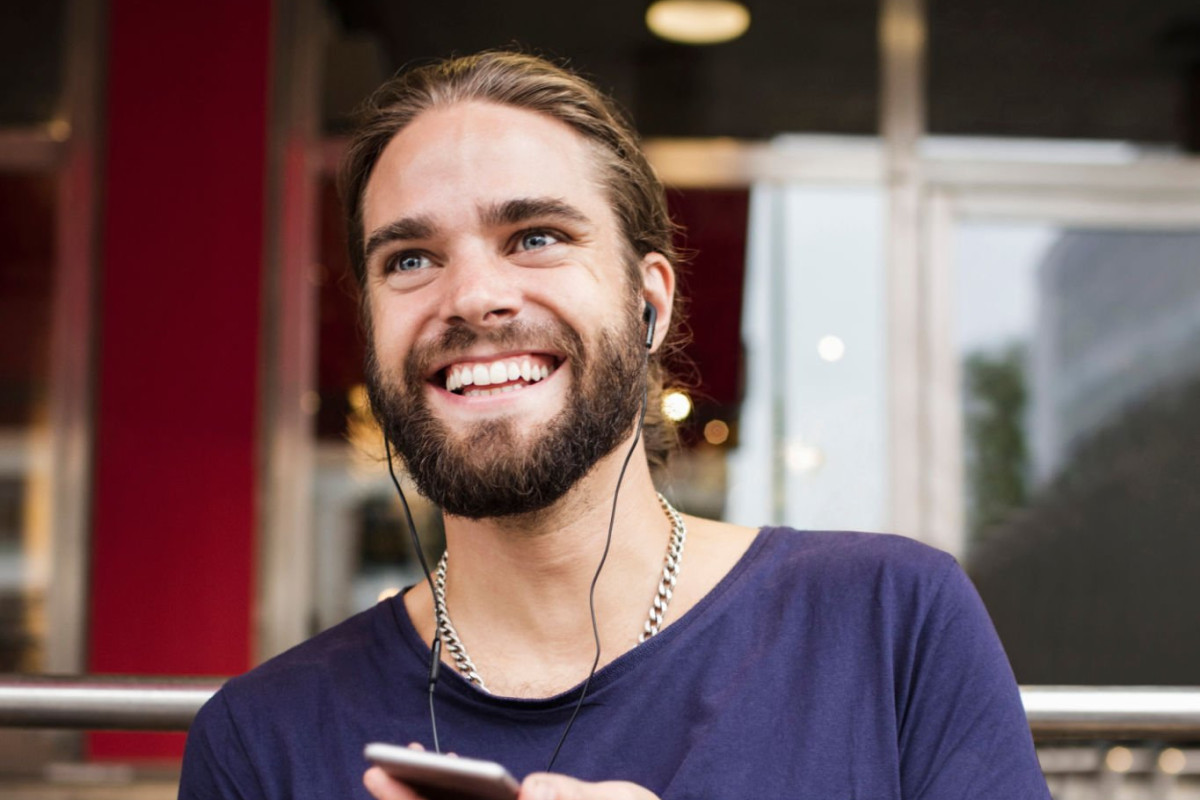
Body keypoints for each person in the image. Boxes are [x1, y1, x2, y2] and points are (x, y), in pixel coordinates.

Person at [179, 51, 1050, 800]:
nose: (473, 295)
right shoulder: (261, 742)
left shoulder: (889, 624)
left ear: (649, 305)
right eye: (410, 259)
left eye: (536, 236)